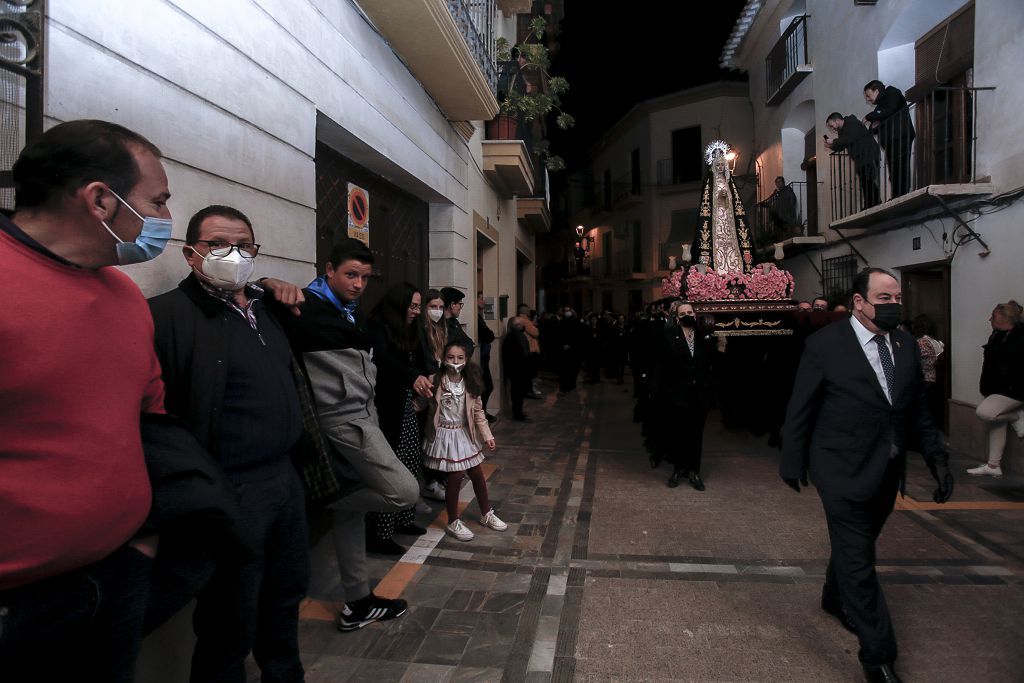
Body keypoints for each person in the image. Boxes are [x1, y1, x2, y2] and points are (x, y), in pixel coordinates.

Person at [0, 120, 169, 681]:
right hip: (19, 610)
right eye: (158, 201)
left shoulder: (124, 295)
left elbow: (150, 418)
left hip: (118, 574)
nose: (164, 219)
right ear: (101, 199)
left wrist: (141, 540)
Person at [148, 204, 309, 680]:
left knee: (284, 597)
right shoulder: (165, 316)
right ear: (191, 254)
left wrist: (275, 286)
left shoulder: (268, 309)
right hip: (228, 489)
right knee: (228, 615)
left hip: (283, 478)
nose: (232, 254)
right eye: (218, 244)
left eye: (243, 245)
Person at [780, 267, 953, 683]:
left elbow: (916, 411)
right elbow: (801, 405)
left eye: (897, 299)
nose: (894, 305)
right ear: (860, 302)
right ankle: (877, 656)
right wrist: (792, 459)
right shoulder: (825, 345)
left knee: (857, 544)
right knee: (860, 560)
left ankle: (833, 596)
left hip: (886, 470)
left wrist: (937, 458)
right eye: (885, 298)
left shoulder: (907, 344)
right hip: (838, 467)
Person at [275, 238, 419, 632]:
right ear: (329, 270)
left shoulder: (353, 314)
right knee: (404, 491)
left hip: (363, 414)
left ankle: (358, 603)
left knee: (351, 513)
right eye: (350, 275)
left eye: (364, 277)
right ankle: (330, 493)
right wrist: (271, 281)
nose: (357, 284)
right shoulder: (303, 305)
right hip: (340, 420)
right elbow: (252, 294)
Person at [365, 282, 435, 554]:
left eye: (419, 306)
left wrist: (423, 383)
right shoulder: (379, 328)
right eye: (414, 306)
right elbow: (383, 360)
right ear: (399, 305)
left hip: (407, 405)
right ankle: (379, 535)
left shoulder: (411, 328)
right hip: (385, 408)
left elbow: (420, 358)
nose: (417, 311)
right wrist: (412, 378)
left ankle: (404, 520)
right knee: (388, 470)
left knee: (408, 461)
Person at [423, 340, 506, 541]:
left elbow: (478, 412)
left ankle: (486, 513)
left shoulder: (471, 382)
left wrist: (487, 435)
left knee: (477, 473)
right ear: (443, 359)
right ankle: (453, 521)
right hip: (444, 435)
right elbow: (421, 403)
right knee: (455, 475)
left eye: (460, 358)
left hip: (464, 434)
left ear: (466, 359)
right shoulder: (434, 380)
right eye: (450, 357)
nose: (455, 361)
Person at [652, 302, 715, 491]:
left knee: (696, 434)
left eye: (690, 312)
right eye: (683, 313)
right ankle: (678, 469)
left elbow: (711, 363)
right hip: (677, 394)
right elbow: (660, 366)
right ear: (677, 317)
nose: (687, 315)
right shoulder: (668, 335)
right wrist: (656, 391)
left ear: (695, 314)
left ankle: (694, 472)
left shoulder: (704, 334)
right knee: (678, 433)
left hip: (699, 395)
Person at [967, 301, 1024, 477]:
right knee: (997, 421)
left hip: (1015, 389)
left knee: (986, 412)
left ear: (1005, 318)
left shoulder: (1020, 337)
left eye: (994, 315)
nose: (989, 319)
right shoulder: (997, 335)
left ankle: (1016, 415)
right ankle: (993, 466)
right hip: (998, 388)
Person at [693, 140, 755, 275]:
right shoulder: (709, 182)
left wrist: (727, 197)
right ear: (714, 166)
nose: (720, 167)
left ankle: (736, 270)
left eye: (722, 164)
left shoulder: (729, 183)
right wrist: (717, 197)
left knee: (732, 243)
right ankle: (716, 271)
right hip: (715, 221)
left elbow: (735, 202)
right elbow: (707, 202)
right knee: (716, 242)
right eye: (718, 165)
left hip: (729, 219)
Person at [419, 289, 450, 501]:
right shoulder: (422, 330)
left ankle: (439, 478)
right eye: (433, 307)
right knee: (426, 436)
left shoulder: (443, 330)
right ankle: (429, 482)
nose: (437, 311)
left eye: (440, 307)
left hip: (441, 389)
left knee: (439, 434)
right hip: (425, 389)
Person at [864, 80, 915, 198]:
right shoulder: (881, 103)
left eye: (868, 95)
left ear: (876, 91)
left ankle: (901, 195)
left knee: (900, 166)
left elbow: (888, 111)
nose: (868, 99)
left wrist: (869, 116)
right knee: (894, 170)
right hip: (891, 139)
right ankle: (897, 195)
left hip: (900, 136)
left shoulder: (892, 92)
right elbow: (876, 125)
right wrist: (873, 123)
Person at [825, 112, 881, 210]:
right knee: (865, 181)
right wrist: (832, 146)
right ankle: (870, 203)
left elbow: (849, 139)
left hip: (868, 153)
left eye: (831, 125)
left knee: (868, 179)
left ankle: (874, 202)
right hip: (861, 157)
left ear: (837, 120)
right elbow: (843, 143)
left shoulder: (852, 122)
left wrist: (834, 141)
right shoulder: (842, 130)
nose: (832, 128)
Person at [912, 314, 945, 430]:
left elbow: (914, 361)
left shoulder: (922, 342)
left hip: (924, 379)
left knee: (921, 411)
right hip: (934, 379)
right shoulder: (937, 342)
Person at [503, 316, 532, 421]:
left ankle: (519, 412)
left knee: (519, 393)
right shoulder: (512, 337)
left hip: (519, 369)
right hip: (517, 370)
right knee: (517, 393)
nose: (521, 326)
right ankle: (517, 414)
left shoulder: (518, 336)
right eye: (518, 324)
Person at [477, 291, 497, 423]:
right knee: (486, 386)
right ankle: (481, 413)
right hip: (482, 358)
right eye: (480, 298)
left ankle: (483, 411)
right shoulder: (476, 318)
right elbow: (488, 335)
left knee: (488, 386)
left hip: (485, 357)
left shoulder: (480, 316)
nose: (483, 301)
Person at [517, 304, 543, 397]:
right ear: (525, 311)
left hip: (527, 349)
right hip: (531, 349)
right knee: (531, 372)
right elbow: (535, 333)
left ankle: (530, 389)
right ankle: (531, 390)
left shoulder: (520, 320)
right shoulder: (525, 321)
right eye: (528, 310)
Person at [557, 307, 584, 394]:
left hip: (571, 350)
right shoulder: (562, 322)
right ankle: (566, 386)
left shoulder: (574, 322)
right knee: (565, 370)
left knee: (570, 369)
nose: (567, 312)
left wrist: (569, 345)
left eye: (569, 311)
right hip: (566, 350)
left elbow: (578, 335)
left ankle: (568, 385)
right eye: (566, 311)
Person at [440, 286, 474, 356]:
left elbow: (469, 343)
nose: (460, 308)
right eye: (460, 304)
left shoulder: (454, 322)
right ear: (452, 305)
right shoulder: (440, 325)